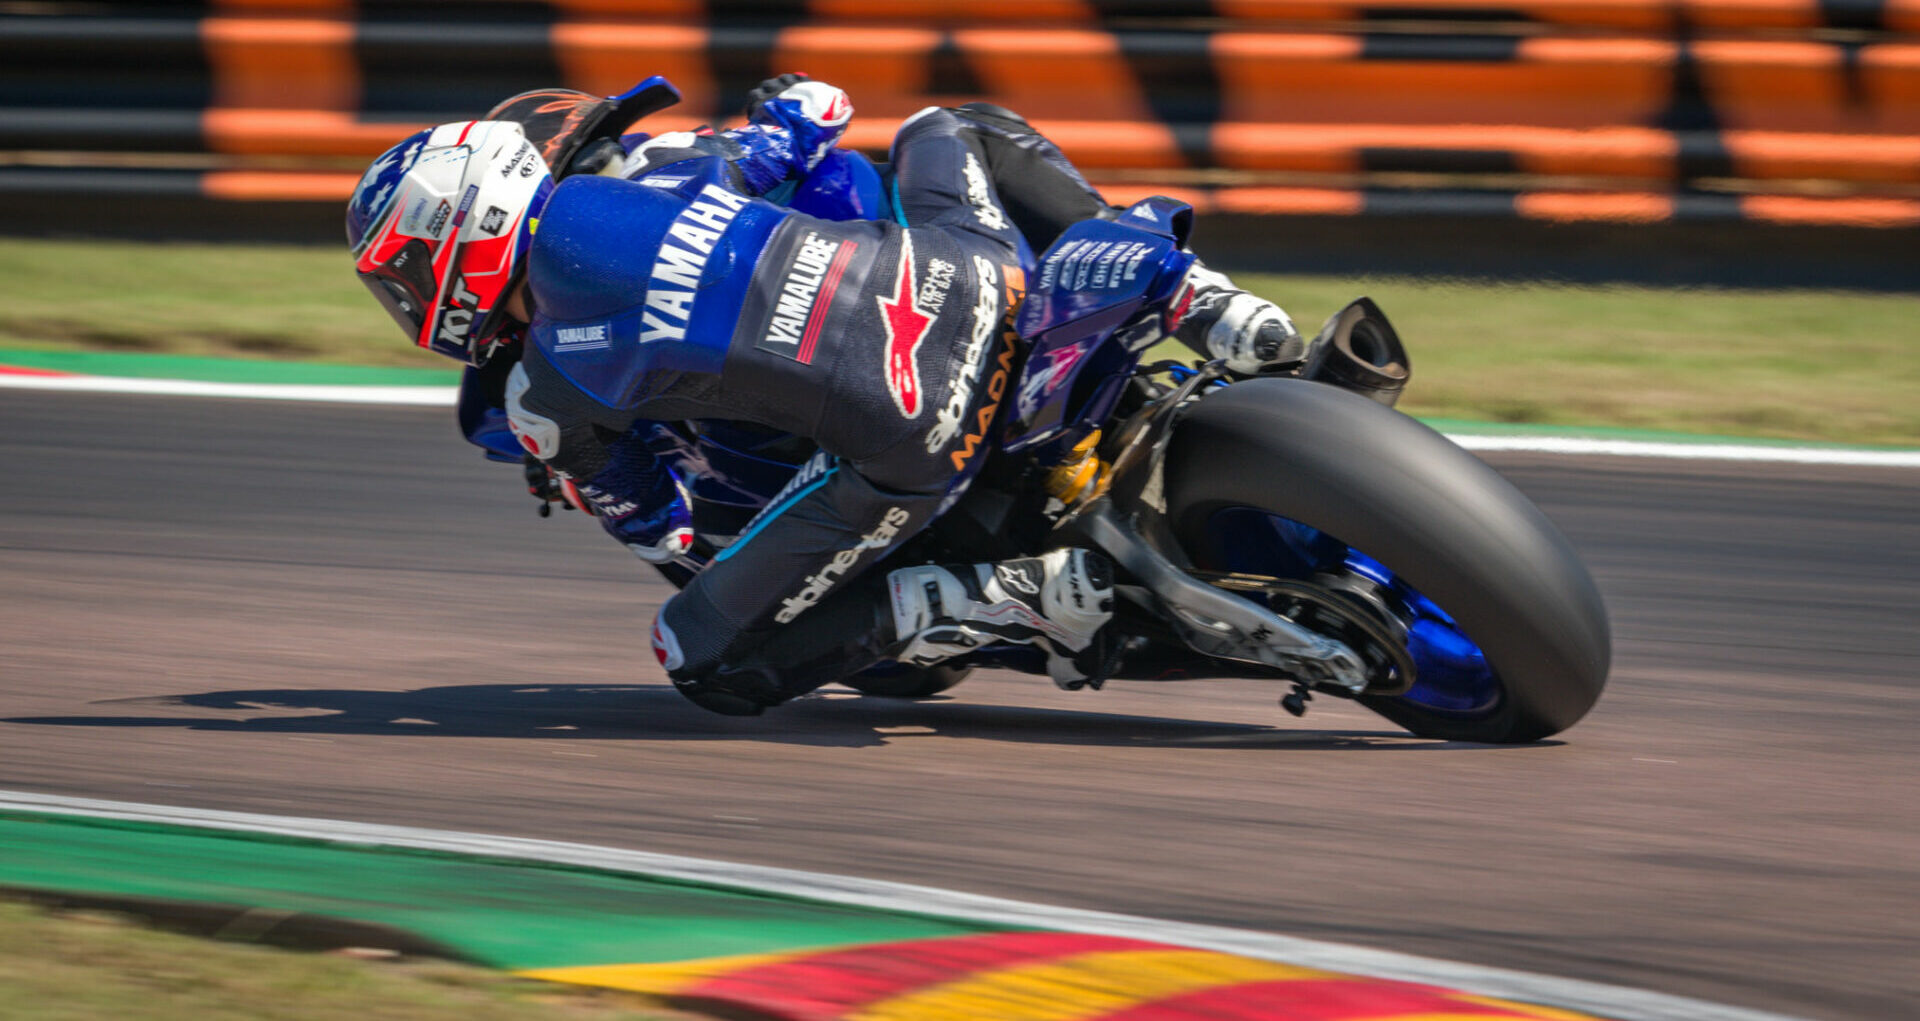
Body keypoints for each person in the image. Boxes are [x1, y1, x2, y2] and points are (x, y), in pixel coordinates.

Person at [348, 77, 1305, 715]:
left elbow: (666, 534)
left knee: (701, 659)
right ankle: (1194, 292)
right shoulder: (685, 168)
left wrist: (602, 484)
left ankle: (1009, 596)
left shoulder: (544, 392)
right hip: (982, 278)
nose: (412, 295)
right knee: (949, 126)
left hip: (919, 436)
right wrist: (792, 112)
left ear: (461, 237)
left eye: (409, 272)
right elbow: (808, 120)